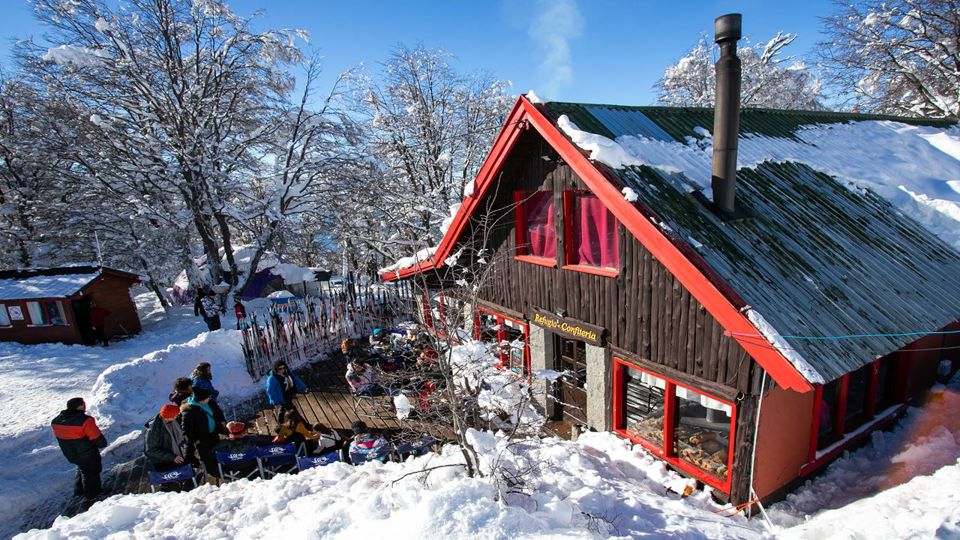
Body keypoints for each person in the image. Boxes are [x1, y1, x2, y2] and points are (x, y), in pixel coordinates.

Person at [51, 397, 108, 501]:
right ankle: (93, 495)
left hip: (71, 453)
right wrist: (102, 443)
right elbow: (97, 438)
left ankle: (79, 491)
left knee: (82, 468)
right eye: (83, 404)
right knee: (91, 472)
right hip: (87, 453)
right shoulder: (85, 421)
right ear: (80, 406)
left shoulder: (56, 421)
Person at [181, 387, 225, 483]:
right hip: (202, 438)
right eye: (207, 398)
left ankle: (220, 469)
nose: (209, 399)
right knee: (206, 457)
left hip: (213, 433)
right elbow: (187, 430)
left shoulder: (209, 402)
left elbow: (218, 411)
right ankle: (214, 474)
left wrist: (222, 421)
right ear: (201, 400)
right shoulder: (188, 411)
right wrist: (194, 440)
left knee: (216, 452)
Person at [144, 403, 188, 472]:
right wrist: (172, 457)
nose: (177, 416)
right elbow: (150, 450)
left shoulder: (172, 421)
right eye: (176, 415)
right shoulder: (154, 429)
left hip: (175, 456)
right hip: (163, 463)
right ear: (169, 416)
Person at [273, 416, 342, 455]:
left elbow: (319, 450)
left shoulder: (322, 440)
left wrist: (314, 451)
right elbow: (338, 439)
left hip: (329, 452)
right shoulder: (333, 430)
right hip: (337, 447)